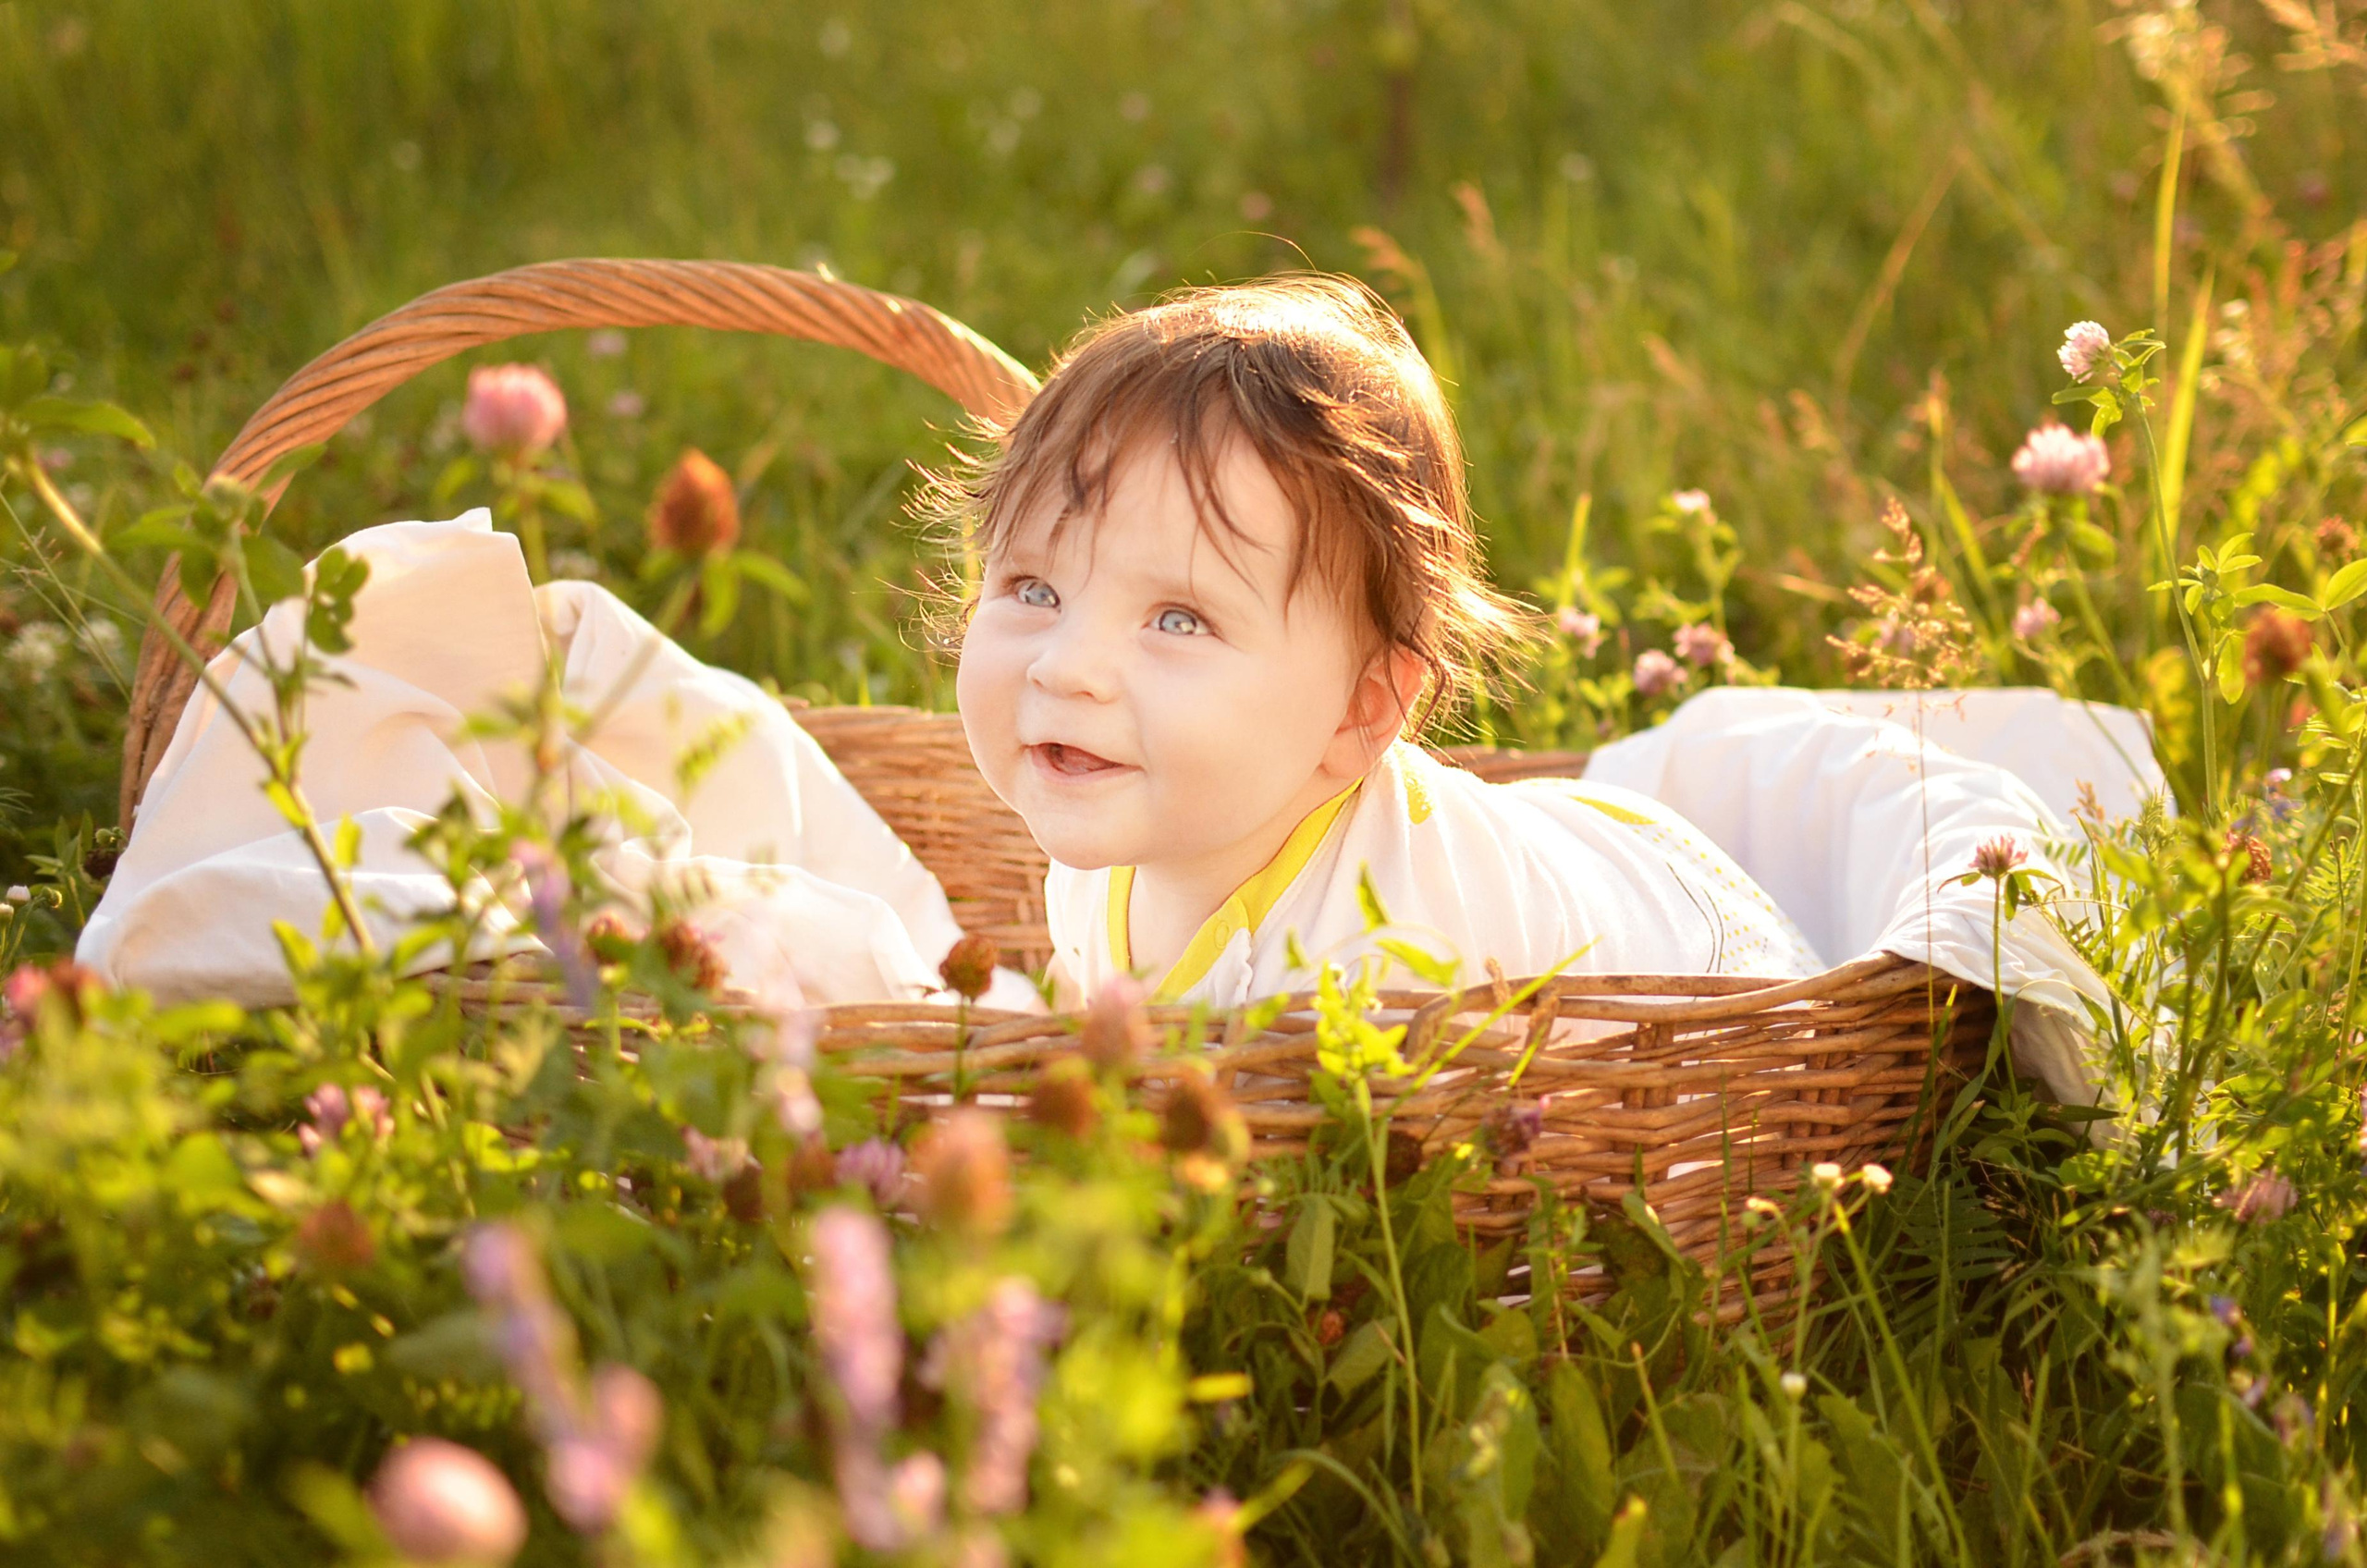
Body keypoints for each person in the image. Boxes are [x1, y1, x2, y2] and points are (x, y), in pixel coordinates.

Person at [941, 276, 1820, 1008]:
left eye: (1179, 620)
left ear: (1360, 710)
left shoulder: (1392, 943)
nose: (1066, 666)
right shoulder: (1107, 834)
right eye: (1035, 589)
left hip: (1713, 984)